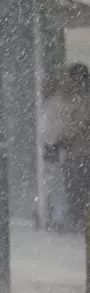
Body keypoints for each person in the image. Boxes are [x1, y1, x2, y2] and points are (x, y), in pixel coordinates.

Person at [58, 63, 90, 231]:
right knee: (74, 189)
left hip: (82, 152)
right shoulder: (69, 97)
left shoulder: (84, 99)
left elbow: (80, 122)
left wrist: (64, 137)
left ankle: (80, 222)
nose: (70, 82)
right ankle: (78, 221)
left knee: (79, 189)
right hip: (74, 153)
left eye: (72, 79)